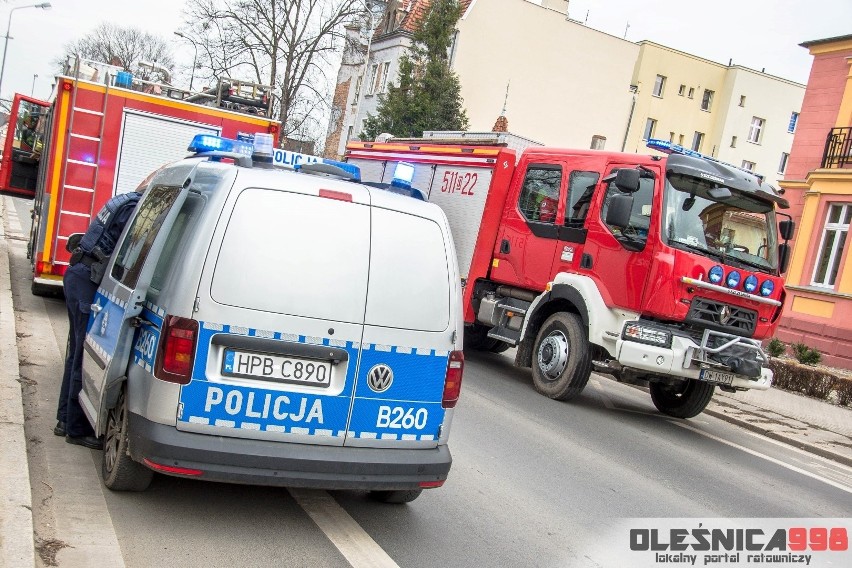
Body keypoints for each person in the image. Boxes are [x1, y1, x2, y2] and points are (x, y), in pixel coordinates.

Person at [55, 190, 143, 449]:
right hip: (86, 280)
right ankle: (77, 428)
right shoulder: (133, 208)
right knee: (83, 355)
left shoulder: (123, 199)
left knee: (75, 354)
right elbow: (131, 251)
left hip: (78, 275)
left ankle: (65, 419)